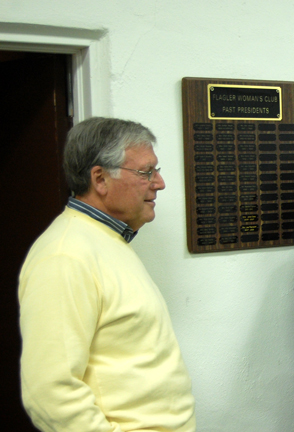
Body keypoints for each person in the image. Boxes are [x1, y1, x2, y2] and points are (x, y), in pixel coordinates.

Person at [18, 117, 196, 431]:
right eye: (146, 172)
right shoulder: (65, 255)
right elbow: (49, 392)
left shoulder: (106, 241)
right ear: (100, 179)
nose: (159, 182)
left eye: (156, 170)